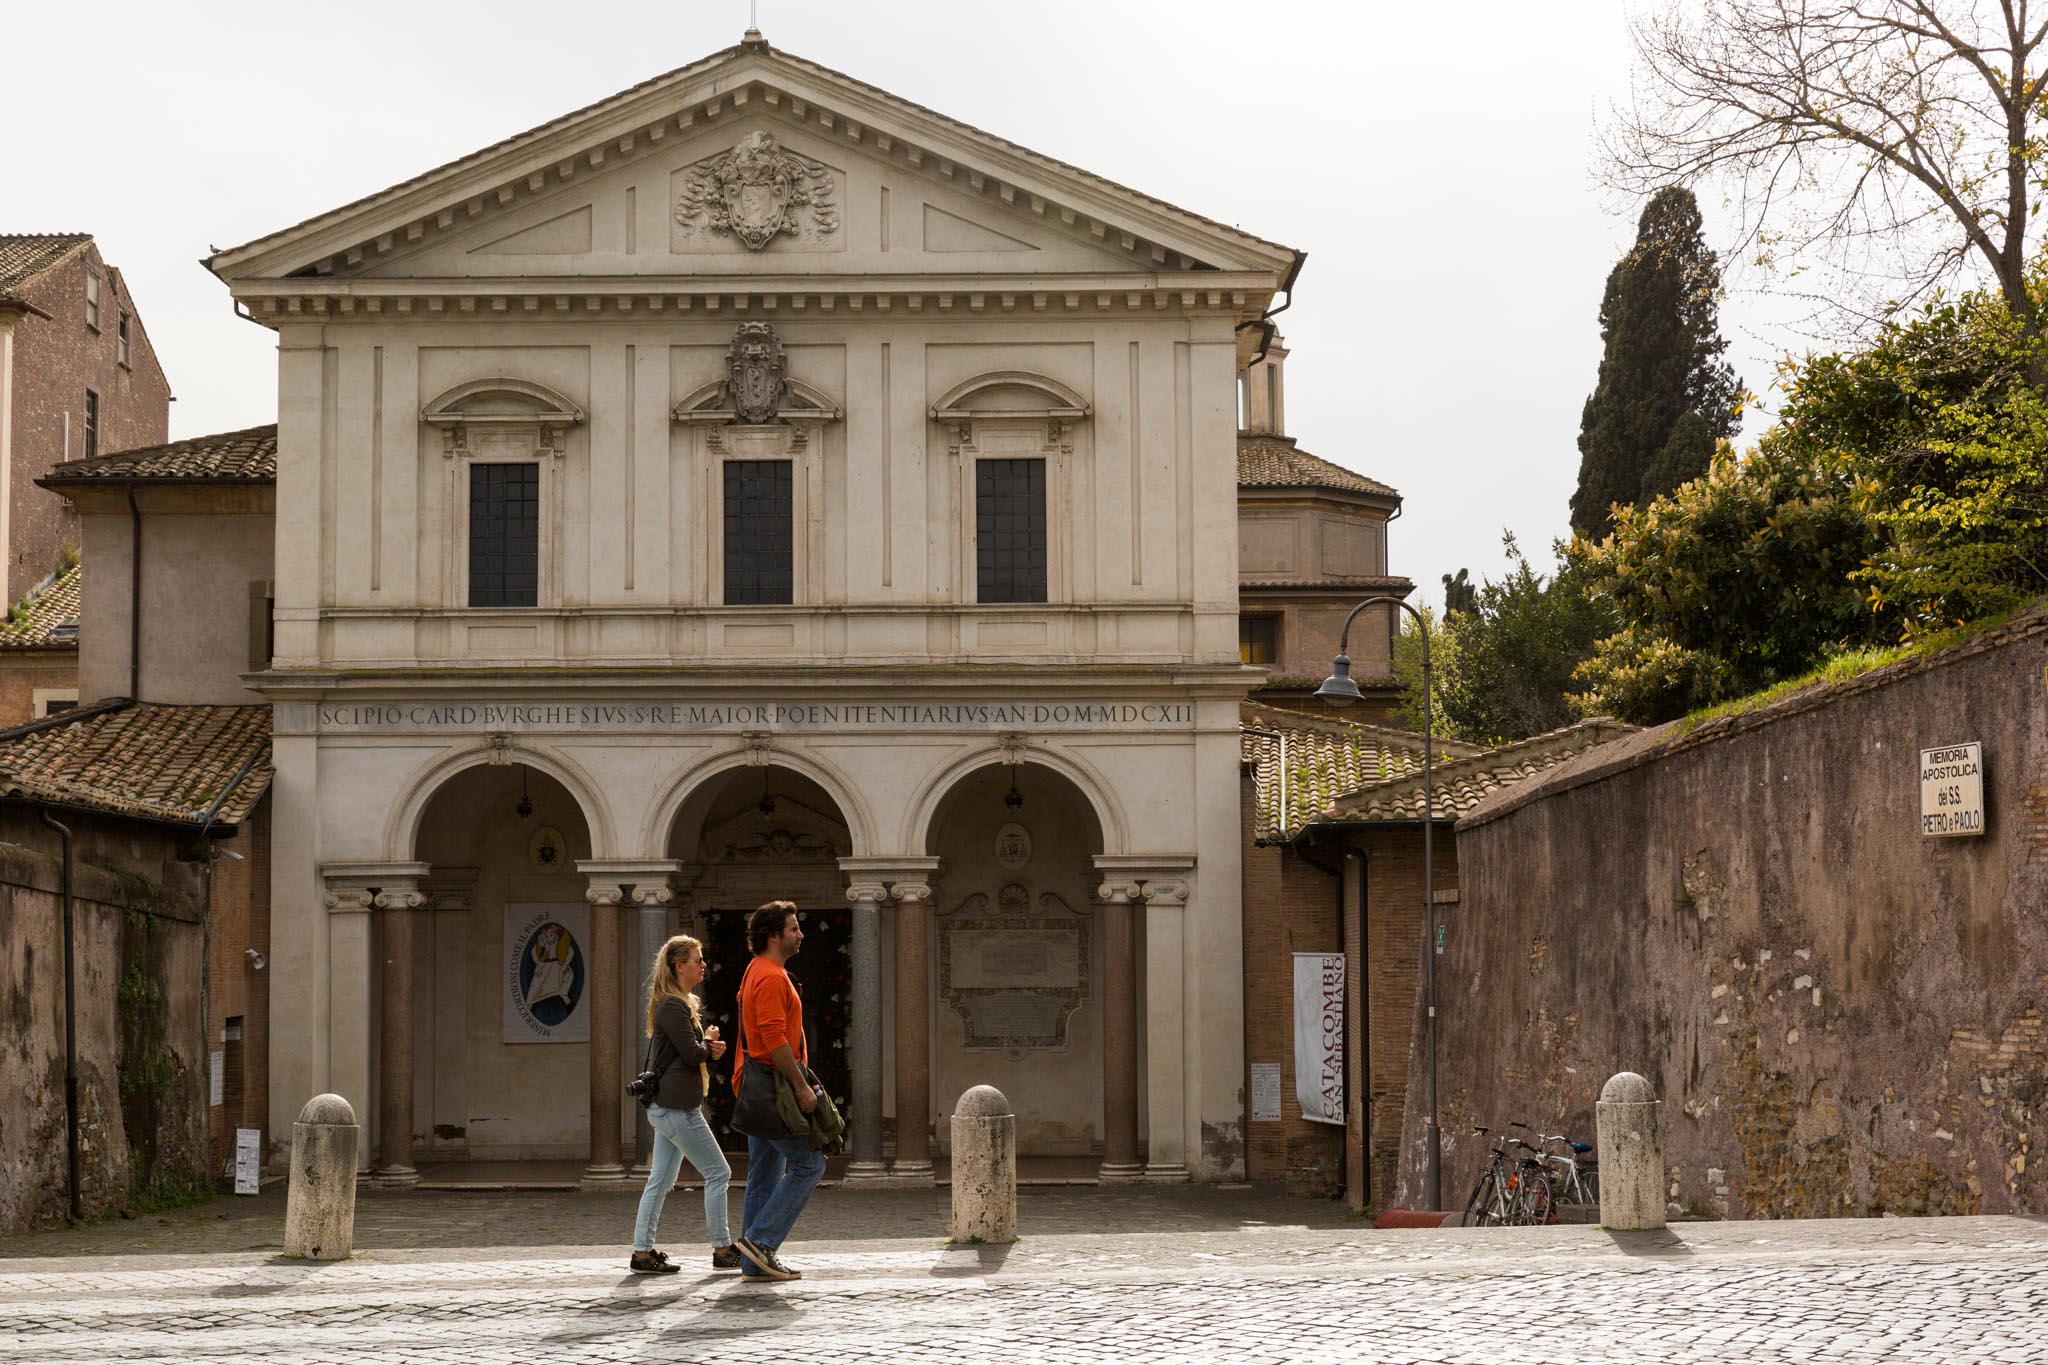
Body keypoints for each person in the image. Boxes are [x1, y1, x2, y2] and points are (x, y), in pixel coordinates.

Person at [628, 934, 739, 1274]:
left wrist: (706, 1044)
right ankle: (722, 1249)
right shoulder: (673, 1005)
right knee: (719, 1172)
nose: (703, 964)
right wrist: (710, 1046)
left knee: (659, 1181)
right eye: (697, 959)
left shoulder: (677, 1002)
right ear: (678, 966)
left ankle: (642, 1254)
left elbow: (687, 1050)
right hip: (677, 1109)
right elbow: (691, 1054)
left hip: (669, 1107)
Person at [730, 900, 823, 1282]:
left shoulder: (757, 969)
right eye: (794, 928)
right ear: (773, 936)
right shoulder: (769, 976)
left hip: (756, 1083)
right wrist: (801, 1085)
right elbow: (772, 1037)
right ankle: (761, 1241)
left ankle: (754, 1260)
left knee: (765, 1170)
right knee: (809, 1164)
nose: (800, 934)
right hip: (773, 1085)